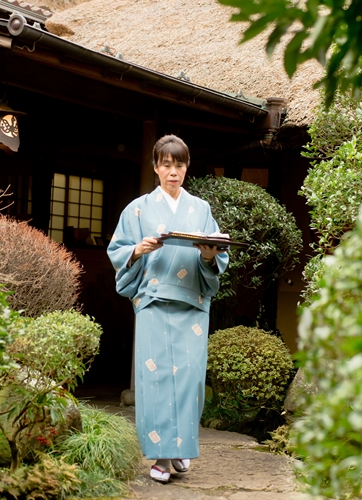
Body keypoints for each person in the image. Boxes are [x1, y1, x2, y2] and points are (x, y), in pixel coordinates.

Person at [107, 134, 228, 483]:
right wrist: (136, 251)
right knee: (156, 377)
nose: (173, 171)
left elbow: (217, 252)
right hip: (154, 303)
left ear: (186, 167)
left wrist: (209, 254)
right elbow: (118, 250)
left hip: (192, 302)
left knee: (189, 379)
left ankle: (179, 450)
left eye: (179, 165)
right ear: (156, 167)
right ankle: (159, 457)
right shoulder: (138, 209)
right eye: (166, 164)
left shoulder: (201, 209)